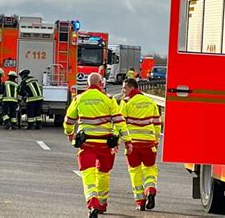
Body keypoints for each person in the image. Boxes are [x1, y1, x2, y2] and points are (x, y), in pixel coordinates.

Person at [63, 72, 133, 217]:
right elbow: (120, 122)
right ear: (101, 84)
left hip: (87, 144)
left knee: (88, 175)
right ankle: (101, 204)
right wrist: (127, 142)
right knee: (103, 174)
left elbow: (69, 120)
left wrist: (70, 133)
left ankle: (92, 202)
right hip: (105, 145)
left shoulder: (79, 99)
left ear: (88, 84)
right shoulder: (109, 100)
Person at [120, 78, 161, 211]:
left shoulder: (126, 103)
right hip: (149, 143)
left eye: (124, 88)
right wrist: (156, 141)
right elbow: (157, 124)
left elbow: (121, 124)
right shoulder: (150, 102)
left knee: (135, 171)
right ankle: (150, 190)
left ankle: (140, 202)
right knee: (150, 169)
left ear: (132, 87)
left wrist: (121, 141)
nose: (123, 91)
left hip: (132, 144)